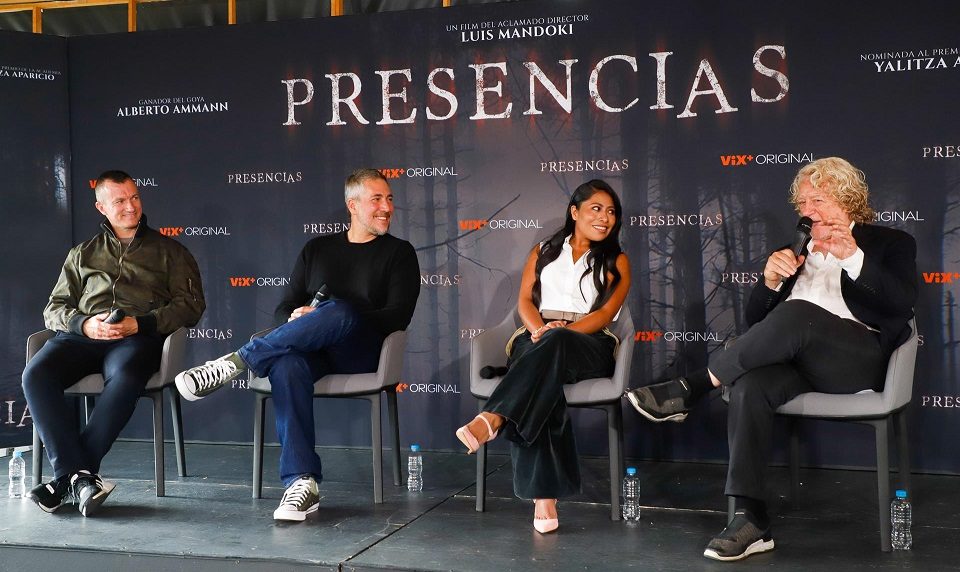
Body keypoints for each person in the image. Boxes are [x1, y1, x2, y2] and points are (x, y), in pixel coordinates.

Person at [624, 157, 918, 561]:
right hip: (798, 362)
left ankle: (690, 388)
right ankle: (752, 518)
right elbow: (758, 325)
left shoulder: (891, 243)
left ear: (846, 199)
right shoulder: (793, 250)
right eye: (802, 203)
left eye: (817, 199)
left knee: (800, 315)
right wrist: (770, 282)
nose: (806, 211)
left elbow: (902, 304)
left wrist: (853, 258)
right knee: (748, 385)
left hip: (856, 361)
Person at [174, 168, 420, 522]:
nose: (387, 207)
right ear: (353, 205)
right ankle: (302, 482)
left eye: (390, 199)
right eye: (377, 199)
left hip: (364, 353)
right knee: (287, 366)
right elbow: (281, 310)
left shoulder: (399, 253)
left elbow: (398, 316)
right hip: (314, 351)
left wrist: (336, 314)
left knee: (340, 310)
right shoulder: (317, 249)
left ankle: (236, 362)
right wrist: (301, 319)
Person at [22, 170, 206, 517]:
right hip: (82, 338)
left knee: (125, 375)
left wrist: (143, 322)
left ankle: (67, 479)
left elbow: (191, 307)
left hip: (135, 339)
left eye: (134, 197)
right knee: (36, 374)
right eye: (119, 200)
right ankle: (80, 477)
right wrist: (84, 324)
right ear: (101, 207)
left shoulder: (170, 251)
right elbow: (54, 308)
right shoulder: (82, 254)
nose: (130, 206)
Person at [455, 180, 631, 534]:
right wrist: (539, 329)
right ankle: (544, 498)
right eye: (596, 208)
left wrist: (560, 332)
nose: (605, 218)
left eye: (611, 212)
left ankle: (494, 417)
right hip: (536, 335)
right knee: (544, 377)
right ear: (575, 212)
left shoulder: (617, 260)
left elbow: (606, 312)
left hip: (589, 342)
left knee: (551, 349)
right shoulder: (543, 251)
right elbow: (524, 302)